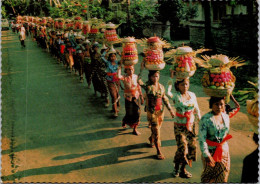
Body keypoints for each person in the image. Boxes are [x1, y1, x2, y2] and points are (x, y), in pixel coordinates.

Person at [199, 96, 240, 183]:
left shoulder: (226, 117)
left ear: (224, 105)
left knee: (223, 176)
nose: (219, 107)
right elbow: (202, 138)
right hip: (210, 152)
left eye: (221, 104)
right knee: (208, 177)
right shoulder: (205, 119)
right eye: (216, 104)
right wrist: (206, 154)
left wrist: (231, 96)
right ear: (211, 105)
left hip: (224, 151)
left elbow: (226, 134)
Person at [138, 70, 175, 160]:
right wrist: (142, 69)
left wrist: (171, 110)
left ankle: (151, 138)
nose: (155, 78)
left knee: (157, 129)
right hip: (152, 112)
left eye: (157, 76)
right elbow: (138, 80)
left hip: (160, 111)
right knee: (157, 131)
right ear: (150, 77)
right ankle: (158, 150)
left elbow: (165, 99)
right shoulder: (148, 86)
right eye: (153, 76)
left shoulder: (161, 87)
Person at [170, 78, 201, 178]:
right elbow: (167, 91)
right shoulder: (176, 96)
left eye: (186, 84)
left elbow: (196, 108)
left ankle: (183, 169)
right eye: (182, 85)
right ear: (178, 86)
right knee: (183, 149)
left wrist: (199, 119)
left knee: (192, 148)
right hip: (179, 126)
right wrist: (171, 78)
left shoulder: (192, 95)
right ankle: (176, 167)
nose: (185, 87)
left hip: (191, 126)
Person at [118, 65, 144, 135]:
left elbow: (138, 86)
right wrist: (119, 68)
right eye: (129, 70)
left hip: (136, 96)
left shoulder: (136, 76)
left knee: (137, 112)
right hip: (128, 97)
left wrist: (141, 96)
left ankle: (135, 128)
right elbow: (118, 76)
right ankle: (125, 120)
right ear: (126, 70)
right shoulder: (124, 77)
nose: (131, 71)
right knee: (129, 112)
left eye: (132, 69)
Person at [101, 47, 121, 117]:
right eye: (111, 56)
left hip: (117, 81)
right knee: (113, 95)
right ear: (109, 57)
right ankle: (115, 111)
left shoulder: (117, 62)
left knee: (117, 94)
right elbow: (102, 56)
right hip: (110, 81)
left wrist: (119, 53)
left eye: (114, 56)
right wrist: (106, 51)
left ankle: (114, 107)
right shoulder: (107, 63)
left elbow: (124, 59)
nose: (113, 58)